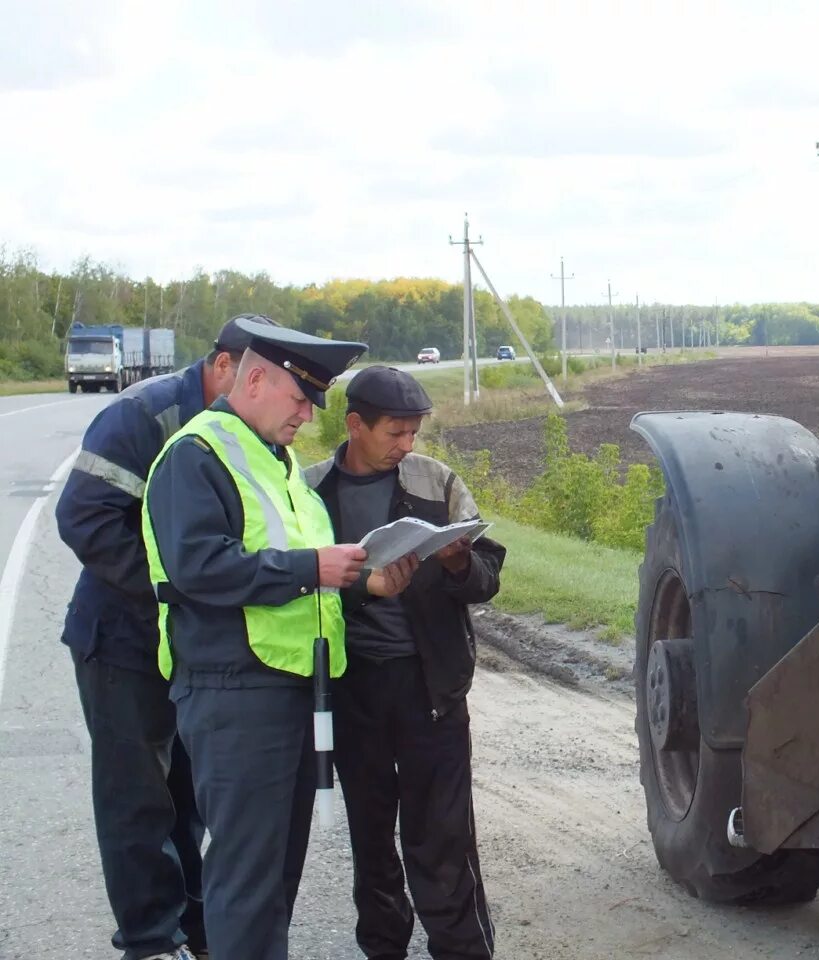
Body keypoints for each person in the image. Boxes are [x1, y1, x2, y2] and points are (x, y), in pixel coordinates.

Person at [140, 319, 407, 960]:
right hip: (234, 690)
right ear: (255, 379)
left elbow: (288, 564)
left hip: (289, 688)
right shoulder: (196, 454)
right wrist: (312, 568)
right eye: (298, 400)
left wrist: (358, 583)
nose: (305, 418)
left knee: (276, 873)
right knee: (248, 877)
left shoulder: (276, 462)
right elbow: (198, 566)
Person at [56, 313, 277, 960]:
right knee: (136, 802)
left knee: (186, 798)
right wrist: (169, 589)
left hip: (186, 646)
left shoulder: (241, 429)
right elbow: (84, 517)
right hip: (121, 643)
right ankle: (151, 941)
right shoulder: (145, 415)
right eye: (261, 377)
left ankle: (195, 929)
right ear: (226, 365)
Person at [305, 365, 505, 960]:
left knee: (442, 835)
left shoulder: (436, 482)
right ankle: (383, 946)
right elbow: (298, 586)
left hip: (432, 689)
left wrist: (454, 563)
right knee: (370, 834)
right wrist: (365, 588)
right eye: (396, 432)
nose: (407, 446)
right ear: (355, 425)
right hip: (352, 689)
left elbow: (486, 578)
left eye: (414, 432)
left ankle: (461, 949)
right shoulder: (311, 492)